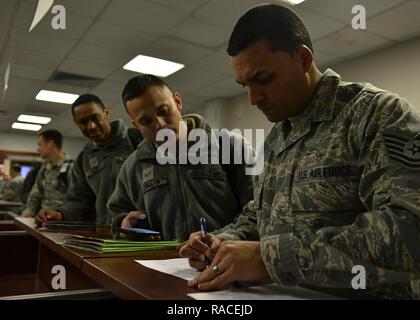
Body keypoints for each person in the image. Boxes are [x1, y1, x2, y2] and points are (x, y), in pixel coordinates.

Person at [179, 3, 420, 300]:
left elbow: (410, 230)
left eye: (263, 79)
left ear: (303, 59)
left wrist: (271, 259)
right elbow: (262, 214)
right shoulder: (278, 137)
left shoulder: (377, 115)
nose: (253, 99)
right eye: (244, 85)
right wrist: (223, 243)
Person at [107, 74, 254, 240]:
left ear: (177, 101)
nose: (160, 124)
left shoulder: (230, 147)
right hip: (164, 263)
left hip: (225, 258)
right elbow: (117, 212)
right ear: (137, 126)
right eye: (146, 121)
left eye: (163, 111)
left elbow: (257, 210)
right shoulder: (132, 167)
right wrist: (123, 223)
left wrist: (218, 239)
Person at [34, 94, 143, 226]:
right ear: (76, 123)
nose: (91, 126)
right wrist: (60, 214)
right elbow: (79, 201)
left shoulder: (137, 140)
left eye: (95, 118)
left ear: (106, 113)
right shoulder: (84, 159)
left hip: (143, 230)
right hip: (106, 232)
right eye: (83, 122)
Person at [21, 130, 72, 218]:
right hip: (43, 221)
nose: (37, 149)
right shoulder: (44, 168)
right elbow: (35, 194)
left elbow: (76, 200)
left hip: (63, 222)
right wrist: (27, 213)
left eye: (40, 144)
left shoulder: (71, 167)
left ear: (50, 144)